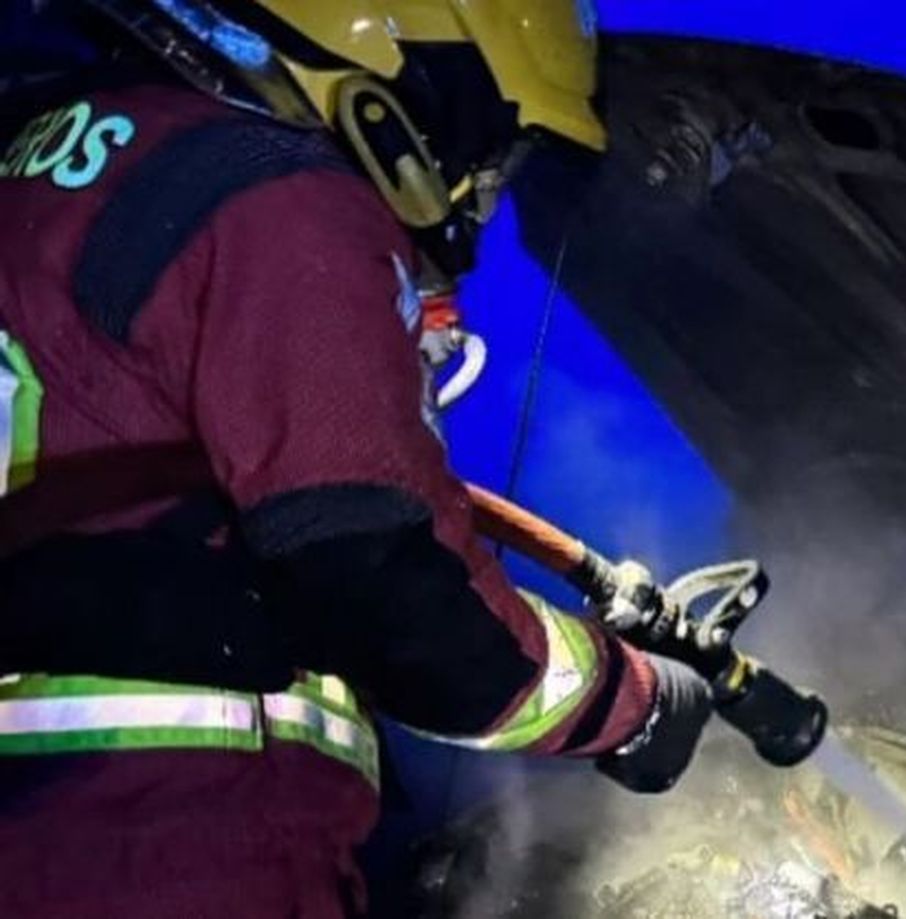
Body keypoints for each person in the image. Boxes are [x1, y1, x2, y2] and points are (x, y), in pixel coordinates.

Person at [0, 2, 712, 916]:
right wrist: (635, 699)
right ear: (388, 80)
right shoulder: (276, 194)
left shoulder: (57, 169)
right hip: (166, 839)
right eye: (486, 144)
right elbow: (386, 592)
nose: (480, 191)